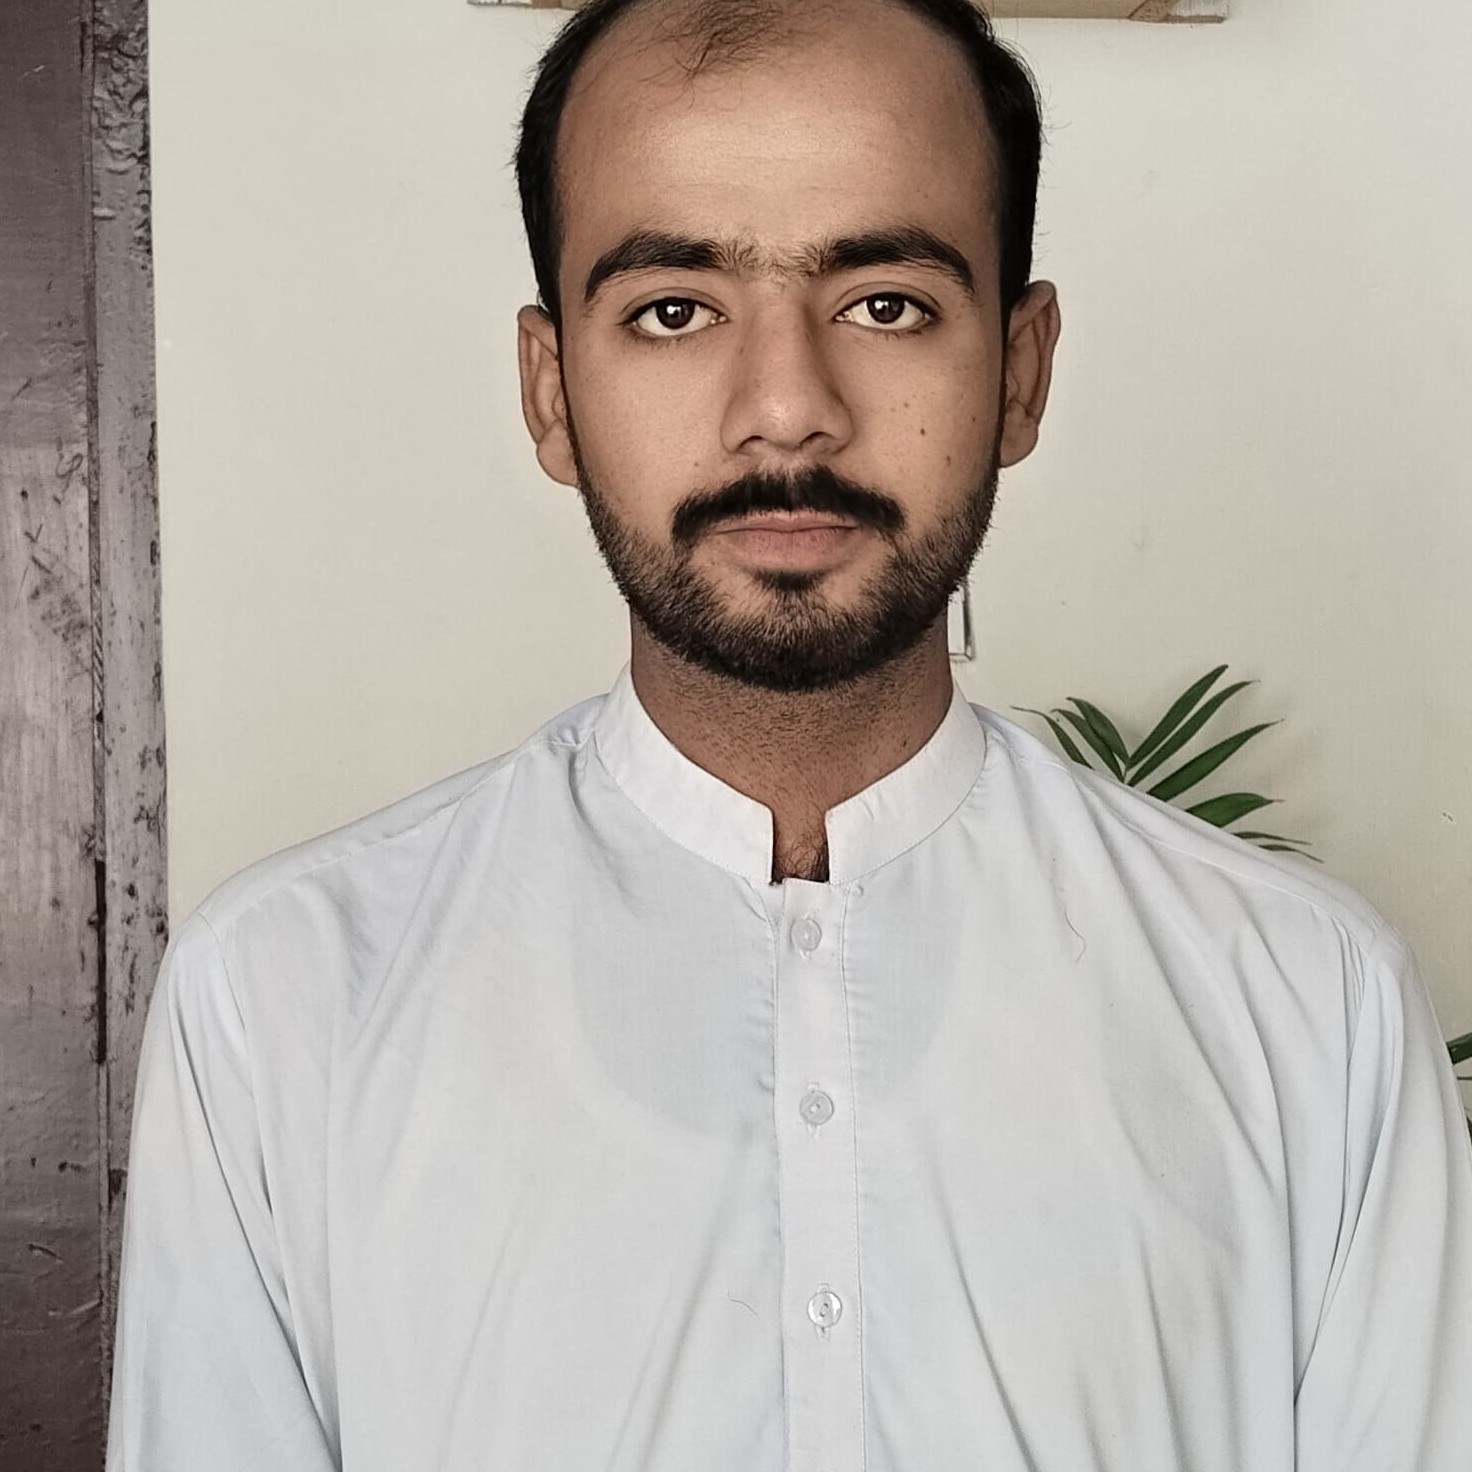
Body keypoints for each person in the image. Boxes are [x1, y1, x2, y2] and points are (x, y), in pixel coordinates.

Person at [106, 0, 1472, 1466]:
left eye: (885, 303)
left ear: (1020, 370)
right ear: (551, 392)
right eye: (673, 310)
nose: (786, 412)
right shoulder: (285, 1003)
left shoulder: (1308, 1009)